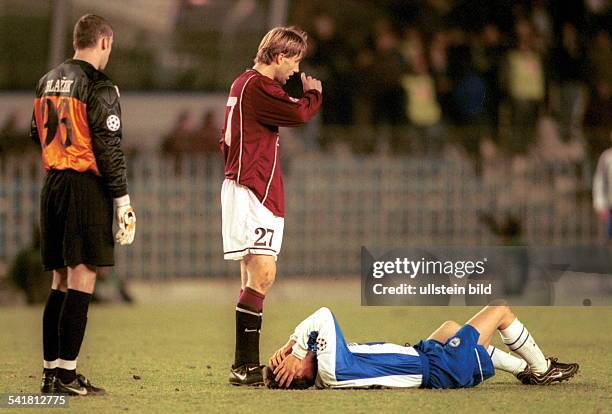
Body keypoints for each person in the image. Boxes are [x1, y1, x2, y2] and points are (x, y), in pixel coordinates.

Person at [30, 14, 136, 396]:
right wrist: (122, 199)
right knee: (82, 277)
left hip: (53, 184)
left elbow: (34, 133)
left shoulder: (46, 81)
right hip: (83, 185)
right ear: (104, 42)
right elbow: (109, 148)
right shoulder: (99, 85)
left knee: (59, 280)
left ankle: (50, 373)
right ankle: (68, 375)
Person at [220, 26, 322, 386]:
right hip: (254, 187)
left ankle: (243, 366)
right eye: (294, 61)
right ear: (279, 57)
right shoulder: (260, 86)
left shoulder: (243, 84)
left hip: (249, 185)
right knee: (263, 273)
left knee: (253, 275)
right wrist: (312, 96)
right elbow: (298, 114)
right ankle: (243, 365)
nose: (295, 71)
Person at [264, 304, 579, 389]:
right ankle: (541, 369)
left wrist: (296, 349)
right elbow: (323, 315)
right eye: (289, 361)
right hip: (440, 367)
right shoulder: (330, 369)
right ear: (295, 373)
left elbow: (318, 329)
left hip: (427, 357)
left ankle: (523, 370)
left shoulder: (325, 368)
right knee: (499, 311)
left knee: (450, 329)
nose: (293, 355)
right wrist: (295, 346)